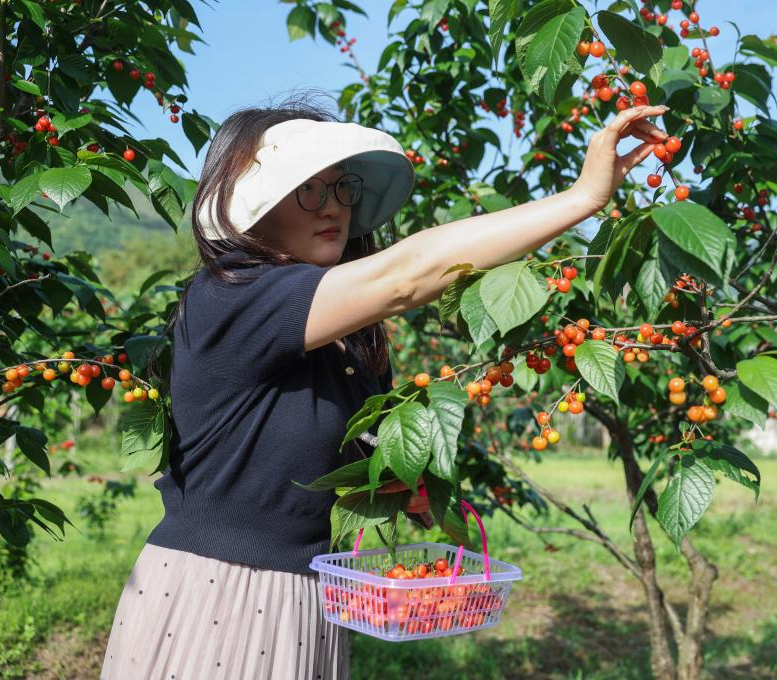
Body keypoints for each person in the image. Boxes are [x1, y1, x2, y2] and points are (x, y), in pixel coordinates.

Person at [99, 92, 669, 679]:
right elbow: (404, 276)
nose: (336, 207)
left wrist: (401, 485)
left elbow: (318, 459)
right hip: (220, 595)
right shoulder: (230, 297)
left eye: (342, 187)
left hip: (308, 601)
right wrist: (583, 199)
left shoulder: (349, 342)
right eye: (310, 189)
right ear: (253, 209)